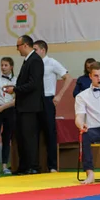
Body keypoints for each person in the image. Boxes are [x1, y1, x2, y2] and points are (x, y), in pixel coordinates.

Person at [3, 35, 45, 175]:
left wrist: (15, 89)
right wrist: (15, 87)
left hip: (30, 106)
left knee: (29, 137)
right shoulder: (28, 61)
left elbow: (33, 84)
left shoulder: (35, 61)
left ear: (26, 45)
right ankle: (24, 165)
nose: (17, 49)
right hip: (23, 106)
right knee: (21, 137)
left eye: (18, 46)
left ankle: (33, 166)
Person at [34, 40, 73, 172]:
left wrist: (59, 95)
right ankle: (35, 165)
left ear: (43, 50)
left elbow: (68, 77)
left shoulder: (52, 63)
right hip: (33, 100)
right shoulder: (31, 63)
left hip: (47, 98)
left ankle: (52, 165)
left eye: (35, 50)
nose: (33, 52)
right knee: (33, 132)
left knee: (50, 132)